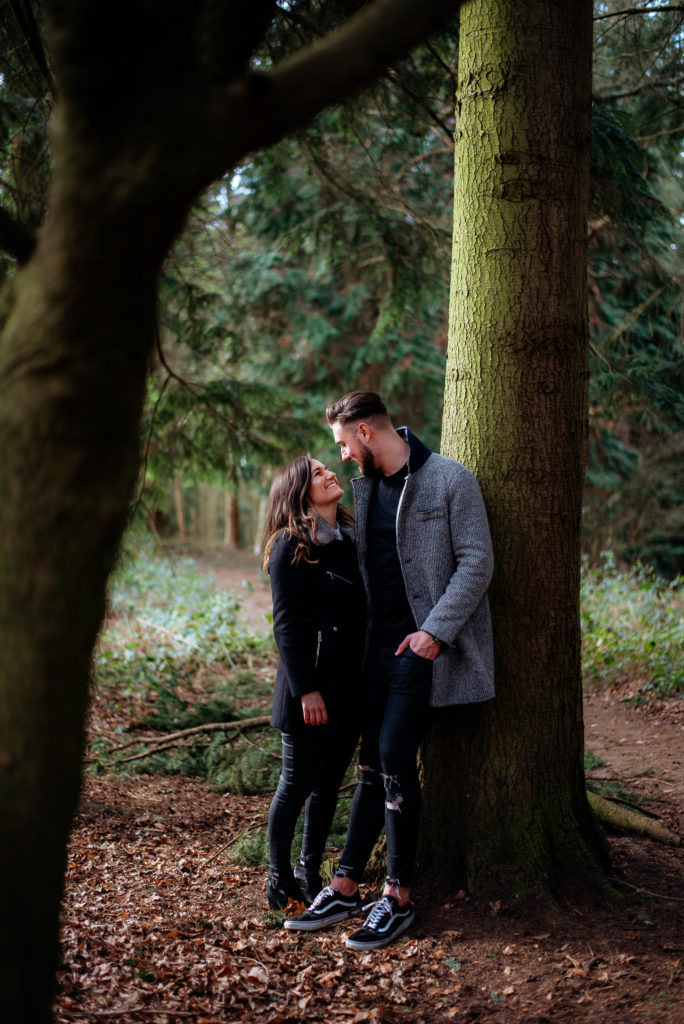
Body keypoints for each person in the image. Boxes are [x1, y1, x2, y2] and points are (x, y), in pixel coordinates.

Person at [285, 392, 495, 950]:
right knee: (372, 764)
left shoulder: (451, 480)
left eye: (343, 444)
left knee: (397, 759)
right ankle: (347, 885)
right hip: (370, 654)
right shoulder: (368, 489)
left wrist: (434, 632)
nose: (344, 456)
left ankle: (397, 896)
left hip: (423, 651)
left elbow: (478, 560)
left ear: (366, 433)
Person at [263, 454, 365, 911]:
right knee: (296, 784)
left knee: (327, 786)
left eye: (328, 468)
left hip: (349, 687)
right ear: (301, 490)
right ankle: (278, 877)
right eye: (319, 472)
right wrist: (307, 689)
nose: (330, 473)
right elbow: (285, 625)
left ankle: (308, 871)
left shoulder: (350, 539)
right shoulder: (290, 544)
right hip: (307, 691)